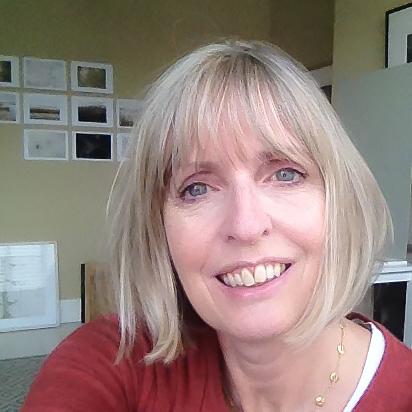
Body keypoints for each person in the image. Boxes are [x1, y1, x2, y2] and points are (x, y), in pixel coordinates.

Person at [22, 39, 412, 412]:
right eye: (197, 189)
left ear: (338, 201)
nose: (246, 226)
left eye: (285, 174)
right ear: (158, 229)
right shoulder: (113, 359)